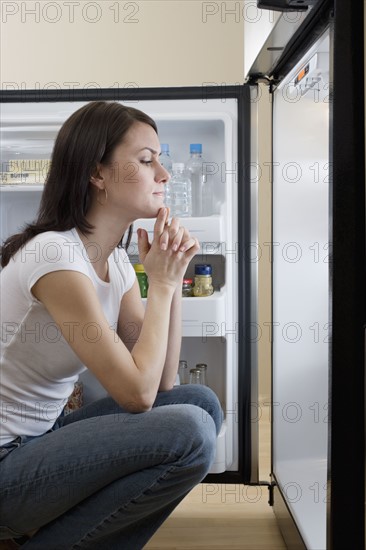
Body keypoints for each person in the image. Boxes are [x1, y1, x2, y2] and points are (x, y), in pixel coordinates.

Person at [0, 101, 223, 549]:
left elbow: (159, 381)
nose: (164, 173)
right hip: (6, 463)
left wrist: (172, 278)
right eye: (146, 160)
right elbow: (137, 396)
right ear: (96, 174)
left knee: (201, 402)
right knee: (190, 433)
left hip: (43, 438)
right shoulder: (55, 256)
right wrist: (158, 283)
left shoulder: (117, 261)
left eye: (161, 160)